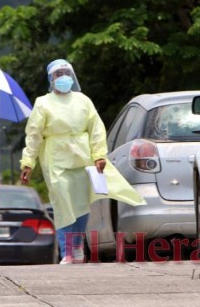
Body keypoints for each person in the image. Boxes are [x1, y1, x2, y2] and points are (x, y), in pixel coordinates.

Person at [19, 59, 145, 264]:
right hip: (56, 159)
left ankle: (77, 246)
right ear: (51, 79)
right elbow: (33, 135)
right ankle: (66, 251)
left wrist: (99, 156)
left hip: (81, 157)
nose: (62, 78)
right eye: (58, 74)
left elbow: (96, 129)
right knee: (62, 202)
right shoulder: (43, 103)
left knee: (81, 204)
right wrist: (28, 163)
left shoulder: (83, 101)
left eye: (65, 73)